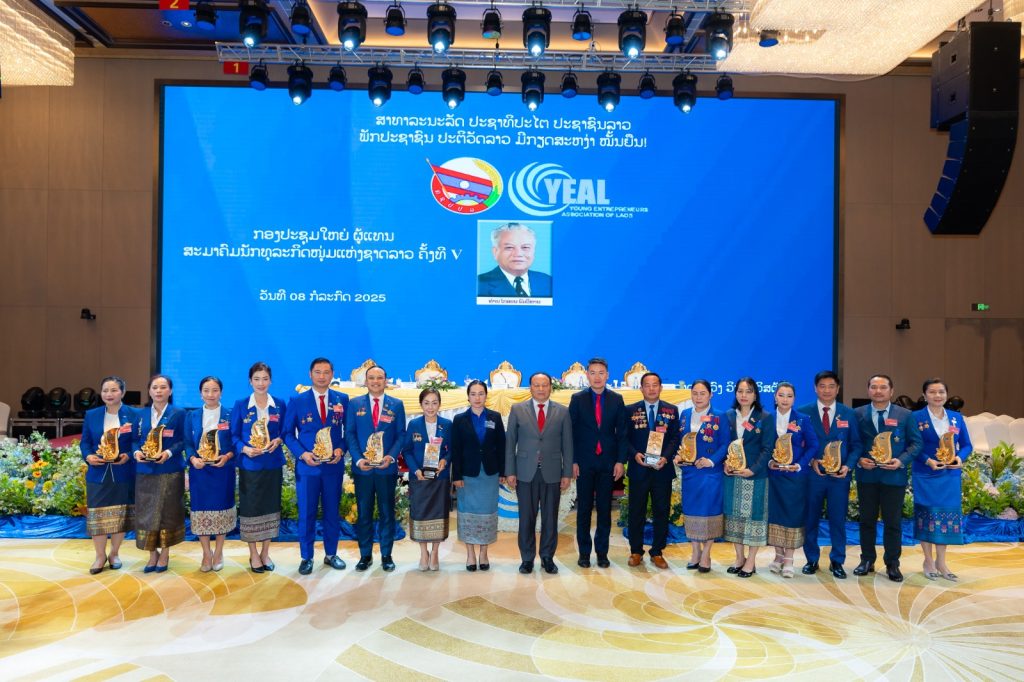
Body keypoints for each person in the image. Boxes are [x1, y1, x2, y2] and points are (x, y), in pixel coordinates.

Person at [282, 357, 348, 575]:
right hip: (307, 467)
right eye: (317, 372)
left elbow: (349, 432)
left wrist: (341, 449)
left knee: (332, 512)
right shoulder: (297, 400)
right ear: (310, 374)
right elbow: (287, 434)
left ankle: (331, 554)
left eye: (326, 372)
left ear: (332, 375)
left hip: (333, 468)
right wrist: (302, 454)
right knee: (307, 513)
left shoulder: (342, 399)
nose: (322, 376)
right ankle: (306, 557)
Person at [853, 374, 922, 582]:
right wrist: (859, 460)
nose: (878, 391)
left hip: (894, 477)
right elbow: (852, 442)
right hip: (867, 476)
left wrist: (901, 461)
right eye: (874, 387)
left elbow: (916, 443)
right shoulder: (857, 413)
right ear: (868, 390)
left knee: (893, 522)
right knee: (866, 521)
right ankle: (867, 560)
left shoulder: (905, 415)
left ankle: (892, 563)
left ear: (891, 391)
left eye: (883, 387)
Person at [504, 372, 573, 575]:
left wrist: (567, 473)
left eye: (544, 385)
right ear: (530, 387)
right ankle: (527, 559)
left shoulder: (562, 411)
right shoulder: (518, 409)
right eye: (536, 385)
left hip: (552, 472)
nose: (541, 389)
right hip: (525, 472)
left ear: (551, 387)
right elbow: (510, 443)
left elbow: (568, 445)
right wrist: (510, 471)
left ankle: (547, 557)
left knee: (550, 518)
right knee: (526, 518)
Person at [799, 370, 862, 579]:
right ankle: (811, 559)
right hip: (813, 476)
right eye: (822, 386)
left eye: (831, 386)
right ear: (815, 388)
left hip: (839, 478)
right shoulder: (803, 413)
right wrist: (810, 460)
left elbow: (856, 445)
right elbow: (798, 444)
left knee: (837, 520)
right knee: (810, 519)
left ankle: (837, 560)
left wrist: (848, 466)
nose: (826, 390)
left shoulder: (848, 413)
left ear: (838, 389)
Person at [345, 365, 406, 572]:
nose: (375, 381)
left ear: (385, 381)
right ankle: (365, 555)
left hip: (386, 469)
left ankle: (387, 555)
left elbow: (401, 435)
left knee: (387, 512)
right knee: (364, 513)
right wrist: (357, 459)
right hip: (363, 469)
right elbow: (350, 434)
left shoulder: (396, 405)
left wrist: (391, 456)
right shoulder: (355, 404)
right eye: (371, 378)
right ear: (366, 381)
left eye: (380, 378)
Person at [568, 358, 627, 569]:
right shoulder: (577, 399)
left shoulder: (616, 399)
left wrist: (620, 461)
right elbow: (570, 433)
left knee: (604, 509)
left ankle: (602, 553)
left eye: (601, 372)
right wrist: (573, 461)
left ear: (607, 375)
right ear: (587, 375)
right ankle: (584, 553)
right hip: (584, 462)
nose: (597, 377)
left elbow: (622, 433)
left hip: (608, 463)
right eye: (593, 372)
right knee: (583, 509)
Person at [912, 378, 972, 581]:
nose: (937, 396)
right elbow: (912, 446)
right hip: (925, 473)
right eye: (932, 392)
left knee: (945, 518)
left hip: (949, 476)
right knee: (927, 515)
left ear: (946, 395)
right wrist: (927, 460)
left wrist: (959, 458)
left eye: (941, 392)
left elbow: (967, 445)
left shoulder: (956, 418)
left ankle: (942, 562)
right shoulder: (915, 417)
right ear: (924, 395)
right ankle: (928, 561)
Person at [230, 362, 287, 573]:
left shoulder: (279, 404)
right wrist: (245, 449)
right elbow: (233, 436)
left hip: (272, 464)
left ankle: (265, 553)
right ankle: (253, 553)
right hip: (250, 466)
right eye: (256, 379)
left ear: (270, 380)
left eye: (265, 379)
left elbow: (285, 431)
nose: (261, 383)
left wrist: (278, 440)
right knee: (251, 510)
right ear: (250, 381)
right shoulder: (241, 405)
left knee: (270, 508)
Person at [80, 376, 136, 574]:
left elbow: (138, 441)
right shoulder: (92, 415)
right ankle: (99, 556)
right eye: (105, 390)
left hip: (122, 472)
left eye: (114, 390)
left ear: (122, 392)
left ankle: (114, 553)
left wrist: (128, 455)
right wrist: (88, 456)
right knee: (97, 516)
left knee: (120, 515)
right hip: (98, 473)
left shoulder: (133, 414)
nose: (109, 394)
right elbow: (85, 442)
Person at [624, 372, 681, 570]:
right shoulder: (630, 410)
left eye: (655, 385)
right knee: (636, 511)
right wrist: (635, 454)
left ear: (660, 387)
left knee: (661, 511)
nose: (651, 388)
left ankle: (657, 551)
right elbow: (624, 438)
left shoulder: (671, 410)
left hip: (662, 470)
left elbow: (675, 438)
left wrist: (665, 457)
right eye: (647, 385)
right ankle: (636, 551)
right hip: (638, 469)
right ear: (641, 388)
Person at [762, 382, 818, 579]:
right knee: (775, 516)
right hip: (774, 476)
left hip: (795, 477)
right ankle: (778, 556)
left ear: (794, 399)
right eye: (781, 395)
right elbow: (763, 446)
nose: (785, 399)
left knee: (792, 516)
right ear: (775, 397)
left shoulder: (803, 419)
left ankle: (789, 559)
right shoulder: (767, 419)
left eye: (789, 396)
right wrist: (769, 462)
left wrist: (800, 465)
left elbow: (813, 445)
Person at [132, 374, 186, 573]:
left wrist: (168, 453)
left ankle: (164, 553)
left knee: (167, 513)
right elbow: (134, 440)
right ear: (149, 391)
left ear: (170, 391)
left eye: (163, 387)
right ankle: (151, 554)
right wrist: (136, 452)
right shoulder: (140, 414)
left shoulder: (179, 414)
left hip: (169, 470)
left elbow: (184, 441)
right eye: (155, 387)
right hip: (145, 471)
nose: (158, 391)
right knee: (147, 514)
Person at [674, 379, 729, 573]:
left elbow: (725, 444)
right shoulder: (685, 414)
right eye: (695, 393)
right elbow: (679, 441)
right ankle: (695, 551)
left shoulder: (720, 416)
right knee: (691, 511)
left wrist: (711, 461)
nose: (698, 397)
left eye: (702, 393)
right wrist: (677, 456)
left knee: (709, 512)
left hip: (710, 473)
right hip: (690, 473)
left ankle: (706, 554)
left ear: (710, 395)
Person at [450, 380, 505, 571]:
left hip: (490, 473)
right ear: (468, 396)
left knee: (487, 512)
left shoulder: (495, 417)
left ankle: (483, 553)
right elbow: (455, 450)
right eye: (473, 394)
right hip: (468, 474)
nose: (477, 398)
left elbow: (502, 446)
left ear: (486, 395)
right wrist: (456, 476)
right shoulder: (460, 419)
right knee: (467, 512)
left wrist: (503, 472)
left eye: (481, 393)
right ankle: (470, 554)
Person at [184, 376, 235, 573]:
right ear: (200, 394)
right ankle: (206, 553)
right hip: (200, 471)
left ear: (221, 392)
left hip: (223, 470)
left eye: (214, 390)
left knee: (222, 510)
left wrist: (227, 456)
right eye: (206, 390)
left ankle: (219, 552)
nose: (210, 394)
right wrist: (192, 459)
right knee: (201, 511)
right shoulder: (192, 416)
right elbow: (188, 442)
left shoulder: (230, 415)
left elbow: (236, 441)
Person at [723, 377, 769, 578]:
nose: (744, 395)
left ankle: (751, 561)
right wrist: (725, 463)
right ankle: (739, 558)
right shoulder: (728, 416)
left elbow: (768, 449)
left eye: (749, 391)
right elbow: (723, 445)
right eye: (740, 391)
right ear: (735, 394)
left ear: (755, 395)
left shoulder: (764, 417)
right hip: (732, 476)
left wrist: (753, 469)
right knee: (735, 518)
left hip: (755, 477)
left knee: (754, 519)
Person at [402, 388, 452, 571]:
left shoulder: (447, 424)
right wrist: (416, 471)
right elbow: (407, 451)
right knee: (420, 514)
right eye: (426, 403)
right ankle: (424, 552)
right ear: (421, 405)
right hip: (419, 478)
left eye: (434, 403)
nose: (430, 407)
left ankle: (435, 552)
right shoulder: (414, 424)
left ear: (440, 404)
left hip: (440, 477)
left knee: (439, 514)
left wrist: (445, 460)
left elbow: (451, 449)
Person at [477, 223, 553, 297]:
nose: (518, 254)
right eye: (509, 247)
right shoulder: (479, 284)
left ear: (534, 251)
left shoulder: (547, 281)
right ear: (495, 252)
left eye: (525, 247)